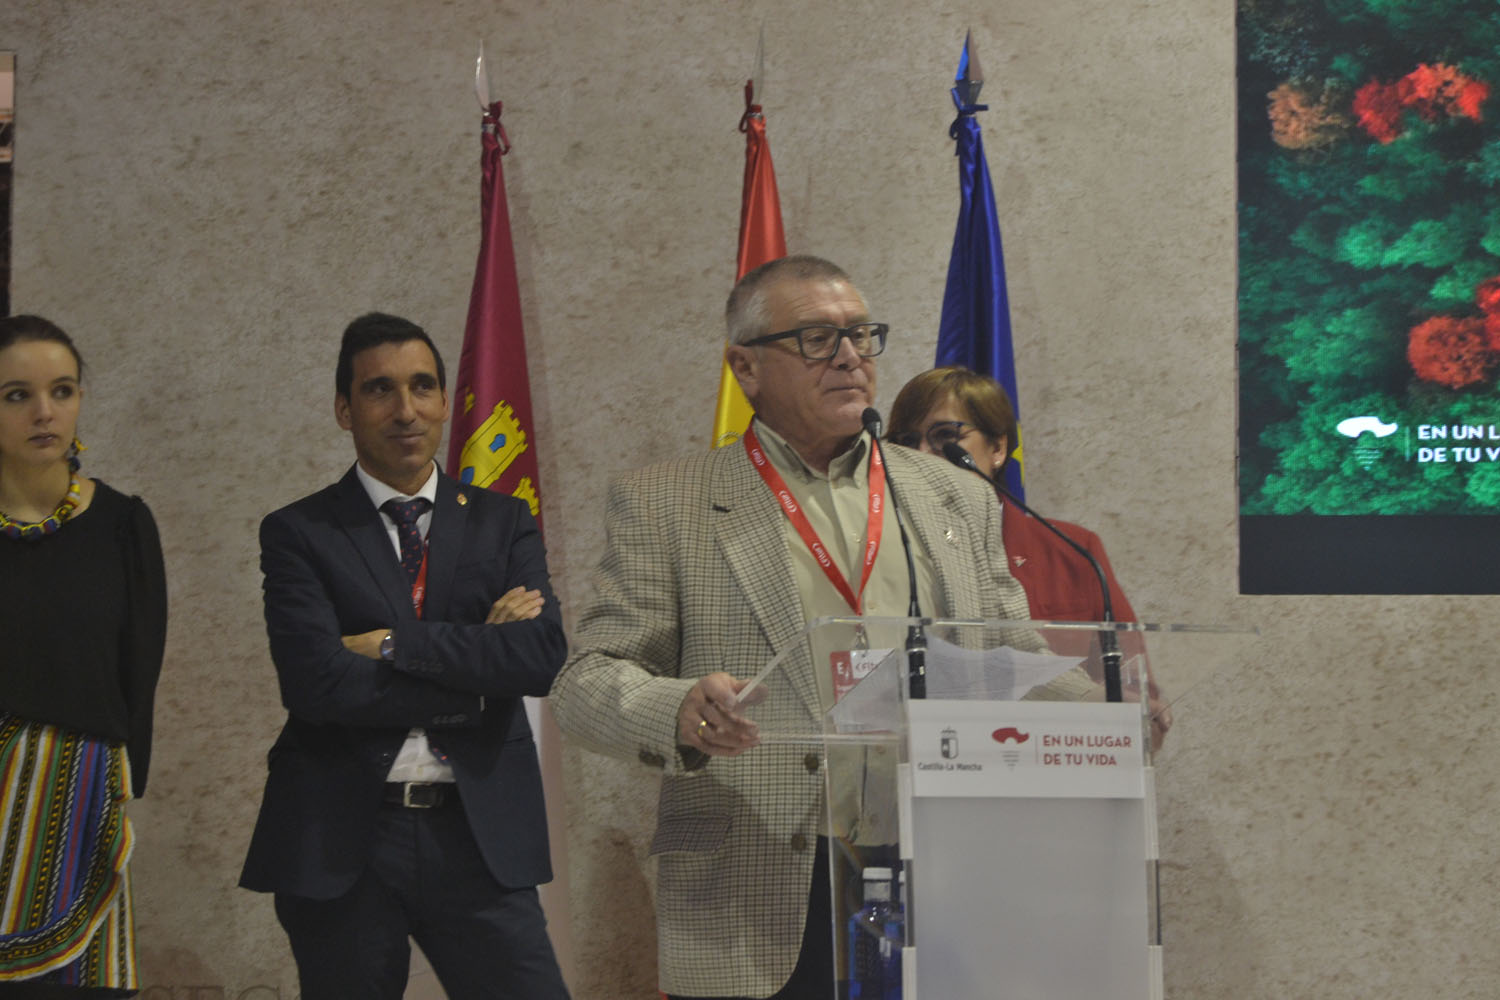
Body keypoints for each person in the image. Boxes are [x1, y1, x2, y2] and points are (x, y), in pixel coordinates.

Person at [549, 256, 1092, 1000]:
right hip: (761, 879)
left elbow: (1011, 653)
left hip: (938, 861)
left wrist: (1108, 720)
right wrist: (678, 709)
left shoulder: (953, 494)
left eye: (861, 335)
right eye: (815, 338)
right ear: (745, 367)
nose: (848, 357)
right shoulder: (666, 504)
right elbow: (585, 682)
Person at [238, 313, 570, 1000]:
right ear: (344, 409)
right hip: (345, 841)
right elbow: (317, 683)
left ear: (446, 400)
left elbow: (538, 657)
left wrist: (394, 645)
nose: (406, 410)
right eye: (379, 389)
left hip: (479, 836)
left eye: (422, 386)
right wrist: (477, 677)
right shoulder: (300, 531)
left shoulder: (502, 520)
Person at [0, 315, 167, 995]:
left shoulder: (124, 524)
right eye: (17, 395)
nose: (45, 412)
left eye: (62, 391)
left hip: (79, 802)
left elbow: (139, 672)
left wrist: (120, 788)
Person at [886, 365, 1170, 747]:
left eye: (945, 437)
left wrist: (1136, 717)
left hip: (1061, 762)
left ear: (998, 448)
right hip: (941, 757)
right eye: (906, 442)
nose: (923, 455)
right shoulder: (897, 554)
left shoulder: (1072, 550)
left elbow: (1135, 693)